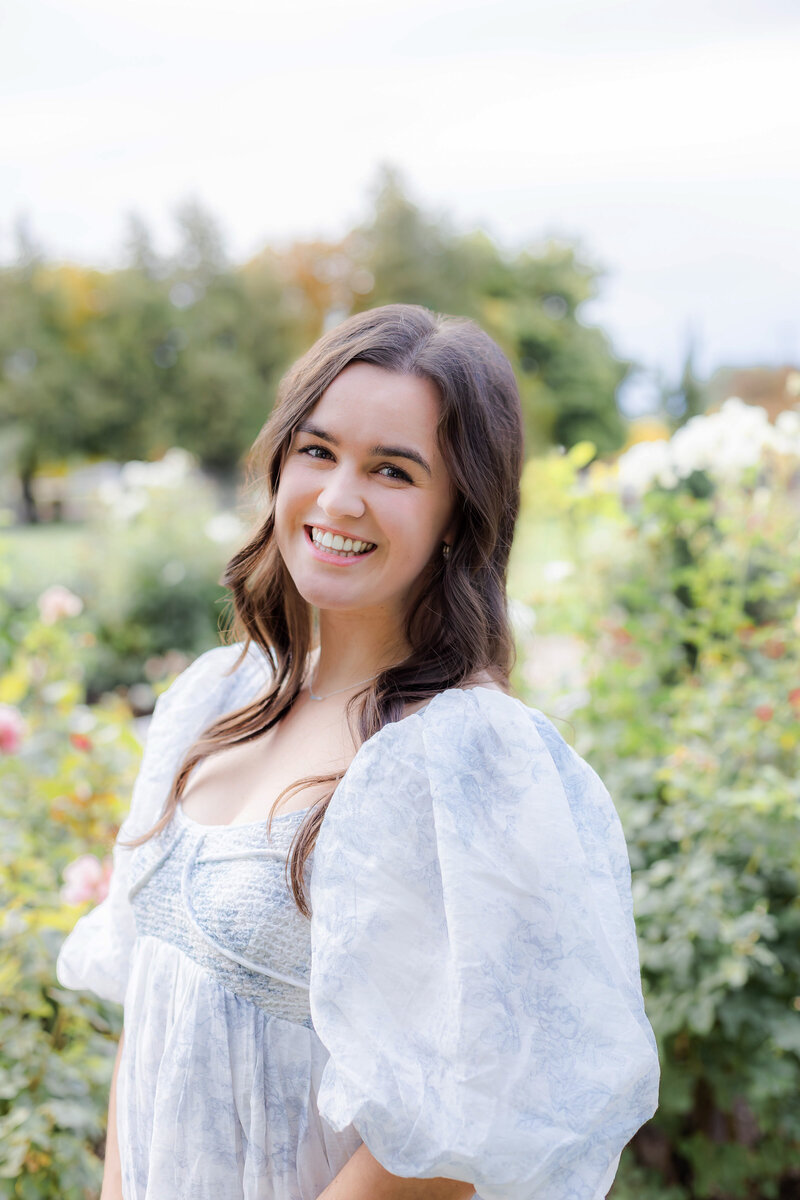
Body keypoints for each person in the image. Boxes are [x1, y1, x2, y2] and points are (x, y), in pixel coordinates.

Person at [57, 303, 660, 1200]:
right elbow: (153, 1027)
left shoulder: (470, 758)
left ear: (460, 514)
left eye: (394, 470)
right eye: (318, 450)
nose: (340, 499)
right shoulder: (212, 699)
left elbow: (469, 1126)